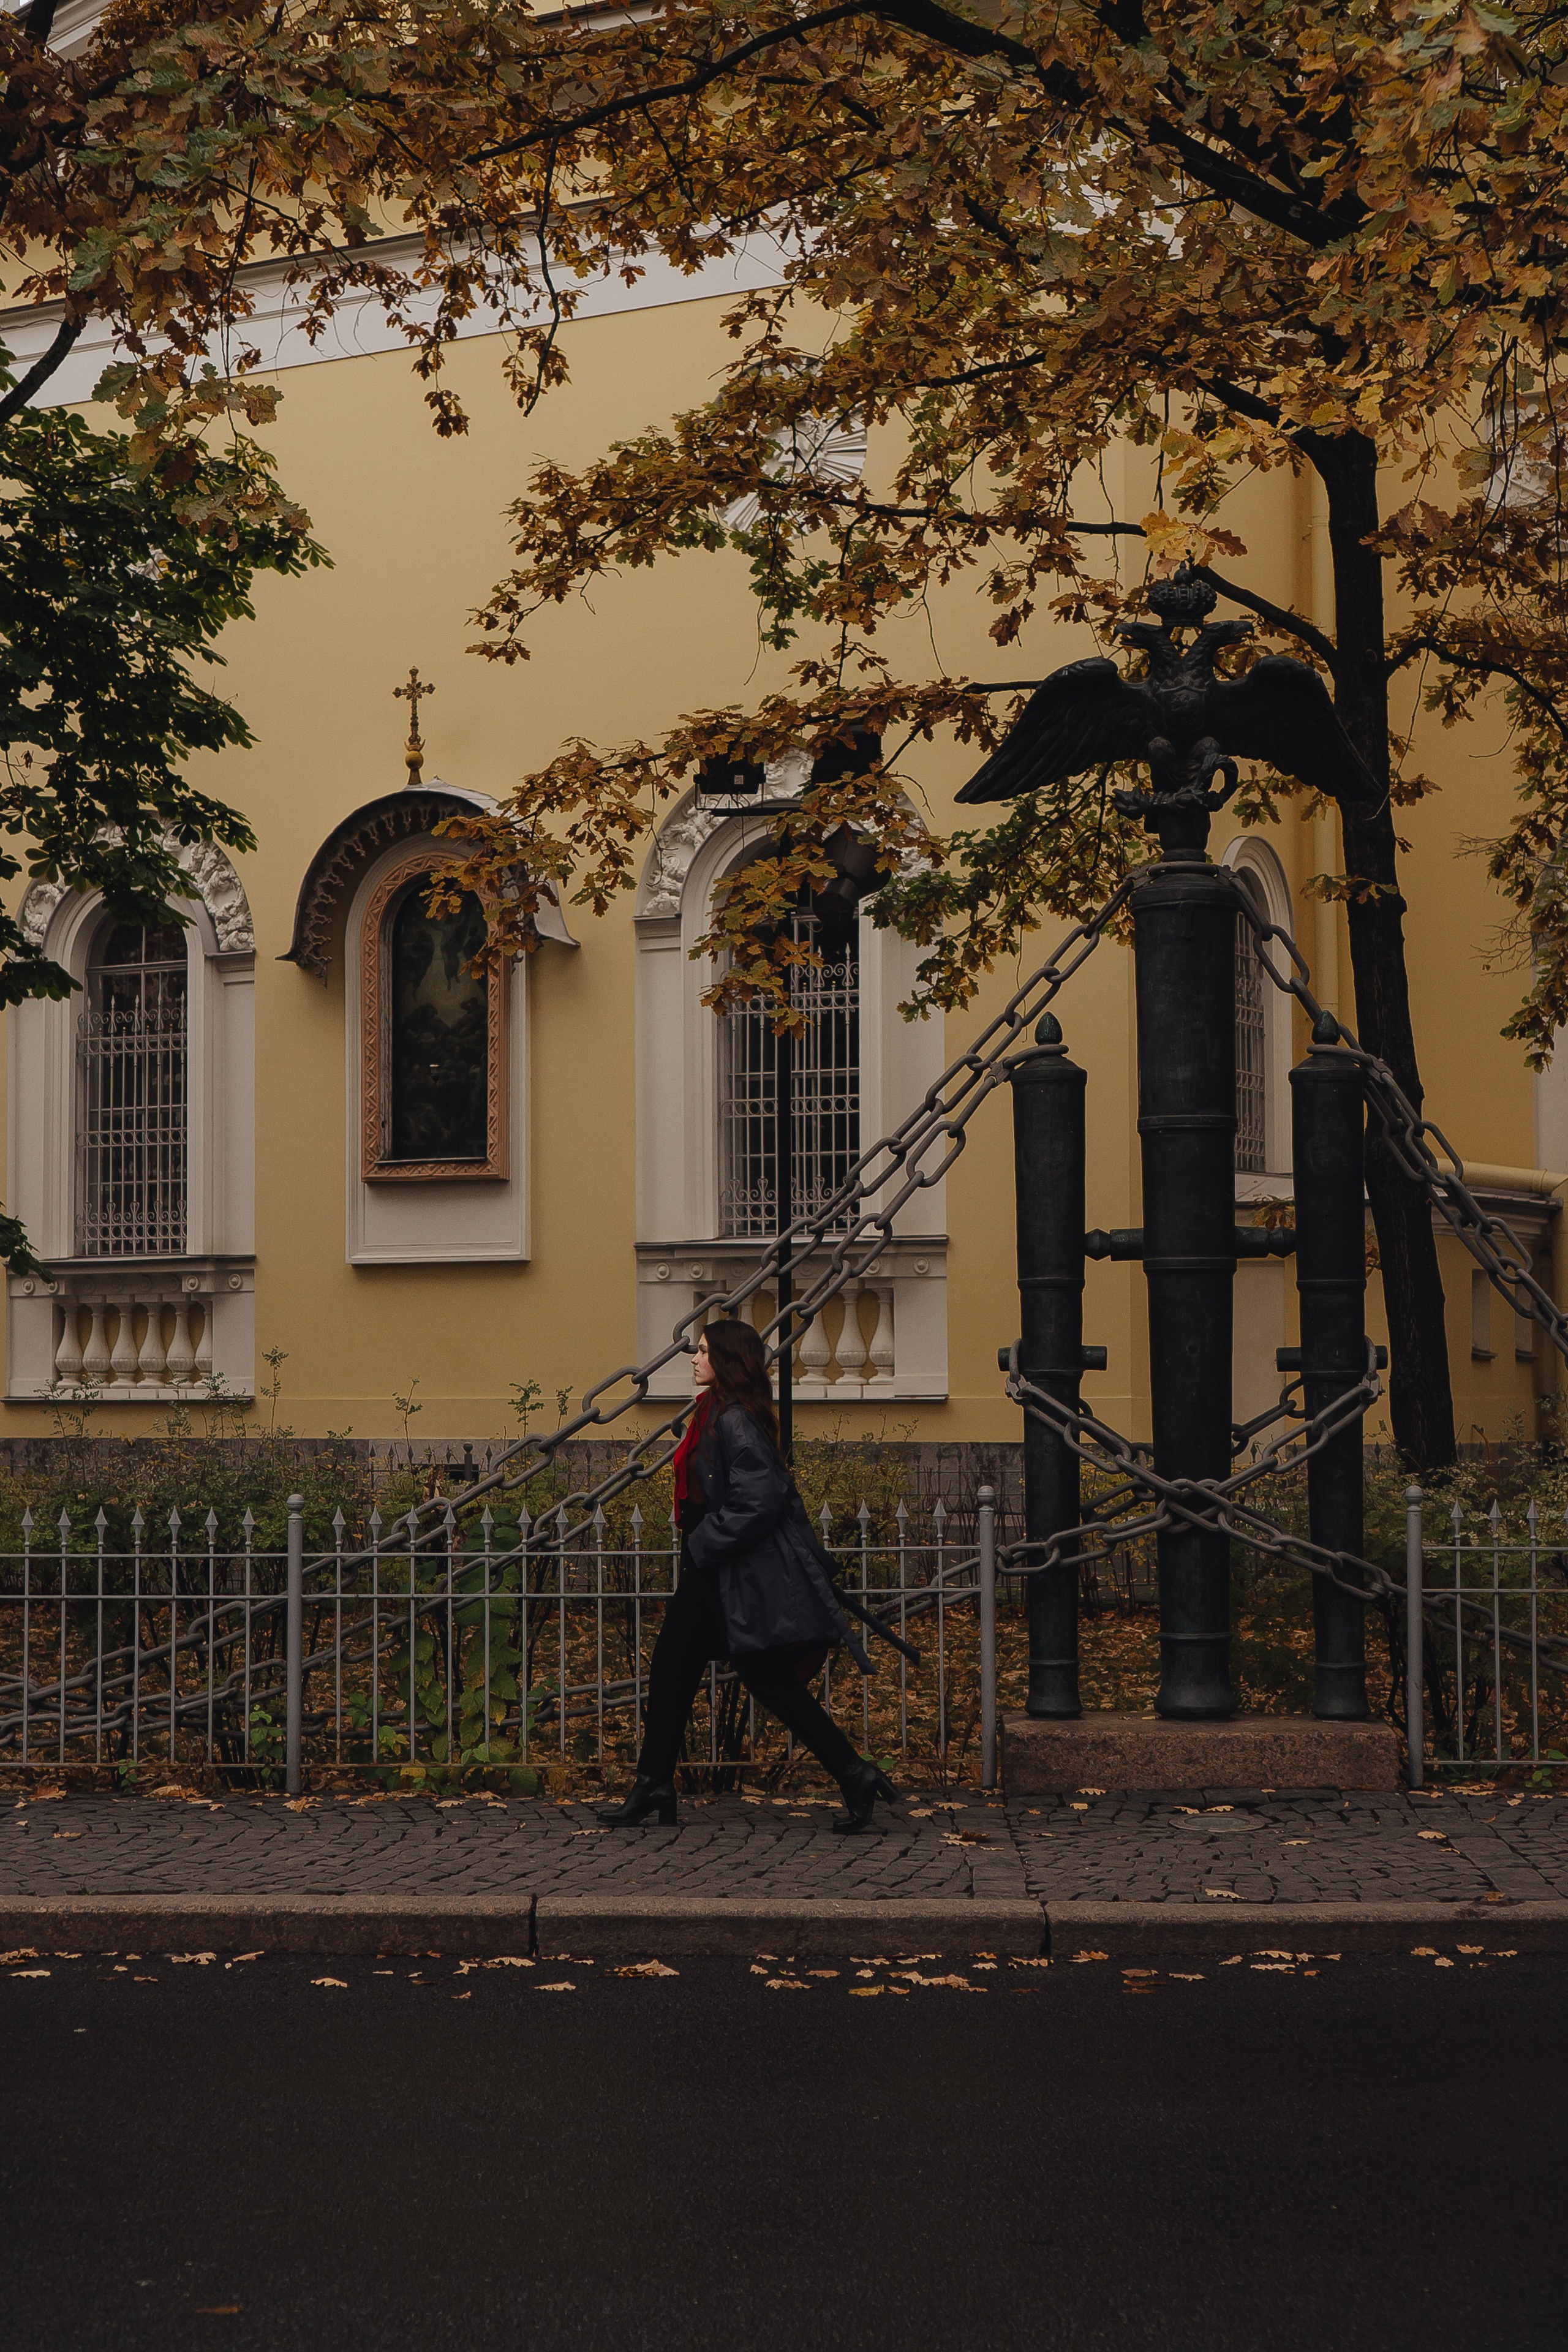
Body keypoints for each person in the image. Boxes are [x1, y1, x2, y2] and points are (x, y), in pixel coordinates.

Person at [598, 1316, 899, 1834]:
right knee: (689, 1672)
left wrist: (703, 1541)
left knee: (738, 1676)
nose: (694, 1358)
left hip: (718, 1566)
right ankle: (656, 1782)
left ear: (728, 1362)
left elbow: (760, 1498)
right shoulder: (714, 1410)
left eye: (705, 1351)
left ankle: (852, 1773)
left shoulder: (733, 1419)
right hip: (714, 1565)